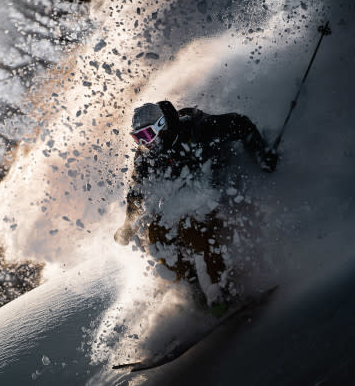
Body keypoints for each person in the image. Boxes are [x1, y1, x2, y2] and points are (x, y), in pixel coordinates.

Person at [114, 100, 276, 310]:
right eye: (138, 138)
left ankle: (224, 286)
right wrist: (128, 225)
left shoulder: (197, 130)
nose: (145, 143)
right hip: (188, 199)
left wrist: (261, 153)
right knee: (157, 234)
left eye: (147, 135)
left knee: (195, 229)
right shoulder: (146, 157)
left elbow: (240, 123)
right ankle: (193, 287)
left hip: (222, 189)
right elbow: (136, 193)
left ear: (161, 125)